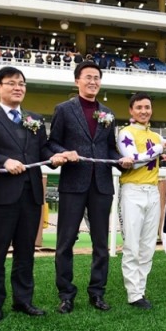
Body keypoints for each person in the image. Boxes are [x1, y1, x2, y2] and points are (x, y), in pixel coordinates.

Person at [0, 66, 70, 322]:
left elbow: (42, 151)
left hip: (32, 194)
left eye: (22, 83)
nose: (18, 87)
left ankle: (23, 300)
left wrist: (54, 157)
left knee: (26, 250)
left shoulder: (34, 118)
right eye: (12, 83)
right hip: (1, 196)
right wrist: (4, 161)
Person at [46, 60, 132, 313]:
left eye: (96, 77)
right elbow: (52, 144)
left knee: (100, 243)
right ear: (77, 81)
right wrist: (64, 152)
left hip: (101, 185)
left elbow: (108, 148)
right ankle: (66, 294)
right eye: (88, 77)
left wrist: (121, 160)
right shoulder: (63, 109)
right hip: (73, 183)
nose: (92, 81)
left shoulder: (108, 113)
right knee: (65, 243)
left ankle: (97, 292)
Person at [115, 93, 166, 309]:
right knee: (132, 245)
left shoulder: (156, 135)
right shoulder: (125, 132)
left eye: (147, 107)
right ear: (131, 111)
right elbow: (133, 161)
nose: (144, 111)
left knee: (147, 246)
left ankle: (140, 290)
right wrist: (159, 149)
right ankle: (133, 293)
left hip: (153, 192)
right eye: (139, 107)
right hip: (132, 191)